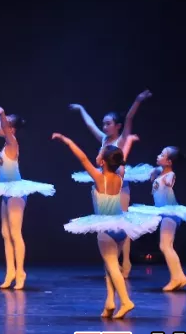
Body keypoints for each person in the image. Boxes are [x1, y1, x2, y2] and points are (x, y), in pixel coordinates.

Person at [54, 133, 160, 318]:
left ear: (102, 162)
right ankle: (110, 302)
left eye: (100, 153)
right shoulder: (120, 176)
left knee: (111, 265)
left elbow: (82, 158)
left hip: (106, 227)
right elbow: (122, 157)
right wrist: (128, 142)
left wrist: (67, 141)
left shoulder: (99, 177)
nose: (97, 155)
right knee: (110, 266)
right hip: (121, 227)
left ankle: (125, 301)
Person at [68, 90, 152, 276]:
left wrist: (138, 100)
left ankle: (125, 262)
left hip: (118, 185)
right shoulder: (104, 139)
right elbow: (90, 125)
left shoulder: (122, 139)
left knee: (122, 223)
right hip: (102, 185)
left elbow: (129, 118)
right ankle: (112, 262)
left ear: (118, 126)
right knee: (104, 223)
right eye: (104, 124)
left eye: (108, 124)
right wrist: (81, 109)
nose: (104, 127)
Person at [0, 107, 55, 289]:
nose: (0, 126)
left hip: (16, 192)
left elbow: (4, 126)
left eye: (5, 124)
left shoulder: (12, 143)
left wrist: (1, 113)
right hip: (6, 190)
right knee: (5, 233)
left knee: (15, 233)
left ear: (12, 129)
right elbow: (2, 126)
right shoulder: (5, 145)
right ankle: (10, 272)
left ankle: (21, 272)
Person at [128, 147, 186, 291]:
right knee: (166, 245)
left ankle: (178, 277)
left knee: (165, 246)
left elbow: (170, 178)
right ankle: (179, 277)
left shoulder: (170, 175)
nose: (158, 156)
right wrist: (155, 172)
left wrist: (168, 178)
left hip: (170, 212)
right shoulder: (160, 173)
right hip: (164, 212)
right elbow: (155, 173)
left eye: (162, 155)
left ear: (169, 162)